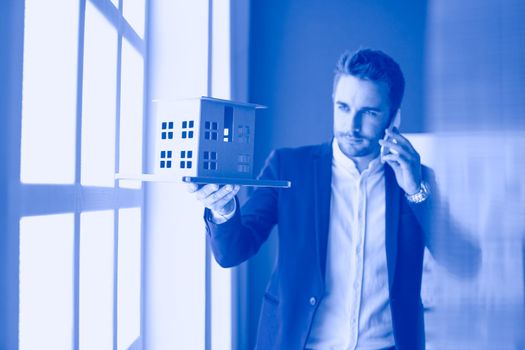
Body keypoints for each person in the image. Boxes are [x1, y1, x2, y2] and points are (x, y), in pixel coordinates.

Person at [188, 48, 441, 349]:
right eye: (343, 108)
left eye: (369, 112)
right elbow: (232, 251)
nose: (352, 126)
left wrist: (415, 191)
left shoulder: (418, 180)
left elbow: (462, 263)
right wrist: (224, 209)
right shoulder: (287, 166)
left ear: (394, 117)